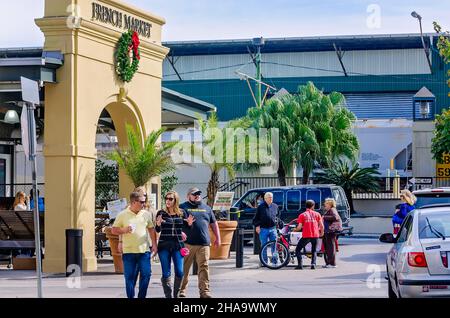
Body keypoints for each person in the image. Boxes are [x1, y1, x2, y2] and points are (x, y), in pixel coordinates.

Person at [112, 191, 158, 299]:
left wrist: (154, 245)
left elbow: (151, 229)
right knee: (129, 278)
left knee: (146, 274)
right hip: (129, 252)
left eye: (144, 201)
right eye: (142, 201)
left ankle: (141, 296)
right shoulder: (122, 215)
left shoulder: (146, 214)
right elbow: (114, 230)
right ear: (133, 202)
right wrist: (124, 230)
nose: (144, 204)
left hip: (144, 251)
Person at [178, 187, 221, 299]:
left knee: (204, 268)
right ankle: (181, 291)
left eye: (198, 194)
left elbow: (214, 223)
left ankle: (204, 292)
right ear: (188, 196)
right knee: (184, 268)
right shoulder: (182, 207)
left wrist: (218, 237)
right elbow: (176, 222)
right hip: (187, 244)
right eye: (194, 194)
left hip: (203, 244)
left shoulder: (207, 208)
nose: (197, 196)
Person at [155, 191, 195, 298]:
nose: (167, 201)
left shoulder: (182, 212)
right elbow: (157, 229)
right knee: (166, 273)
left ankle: (176, 295)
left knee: (180, 272)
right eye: (166, 198)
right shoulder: (161, 213)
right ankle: (168, 296)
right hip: (164, 245)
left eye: (170, 199)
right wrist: (158, 224)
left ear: (175, 200)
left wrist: (190, 225)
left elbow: (188, 228)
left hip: (177, 246)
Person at [293, 200, 324, 270]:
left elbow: (299, 227)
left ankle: (300, 265)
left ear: (305, 206)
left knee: (298, 250)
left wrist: (294, 230)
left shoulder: (302, 215)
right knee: (314, 250)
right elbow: (321, 225)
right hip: (315, 235)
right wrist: (322, 233)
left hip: (306, 235)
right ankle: (313, 264)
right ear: (313, 206)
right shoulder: (317, 214)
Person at [252, 192, 279, 265]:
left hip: (273, 229)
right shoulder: (260, 207)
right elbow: (256, 218)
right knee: (264, 246)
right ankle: (264, 262)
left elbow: (277, 217)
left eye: (272, 197)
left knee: (274, 246)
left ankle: (275, 261)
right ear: (265, 198)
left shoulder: (275, 206)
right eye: (269, 197)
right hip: (263, 229)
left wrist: (278, 226)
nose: (271, 199)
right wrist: (257, 226)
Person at [322, 198, 342, 268]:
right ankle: (329, 263)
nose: (325, 204)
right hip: (329, 231)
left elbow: (335, 217)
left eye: (326, 203)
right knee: (329, 247)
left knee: (331, 247)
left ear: (330, 204)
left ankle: (332, 264)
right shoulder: (330, 210)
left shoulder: (332, 209)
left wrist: (324, 217)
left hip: (331, 230)